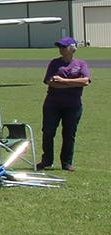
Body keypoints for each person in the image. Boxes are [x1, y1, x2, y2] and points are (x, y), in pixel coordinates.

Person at [39, 36, 91, 171]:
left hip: (73, 106)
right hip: (52, 104)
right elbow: (51, 82)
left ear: (72, 48)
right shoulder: (54, 63)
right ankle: (47, 160)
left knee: (69, 134)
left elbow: (85, 81)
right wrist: (74, 83)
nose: (61, 49)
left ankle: (67, 162)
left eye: (64, 47)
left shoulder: (81, 64)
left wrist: (62, 81)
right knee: (48, 132)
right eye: (59, 47)